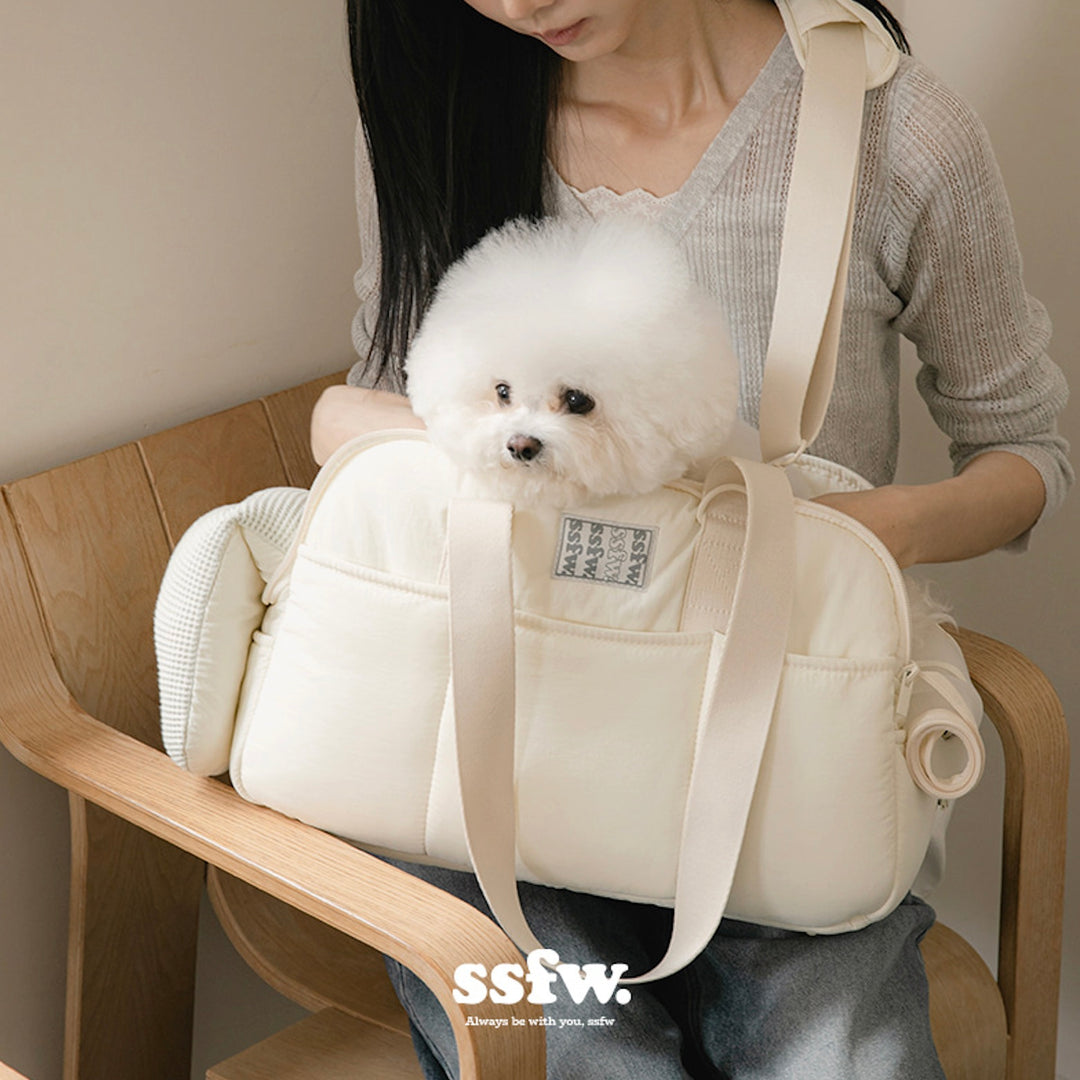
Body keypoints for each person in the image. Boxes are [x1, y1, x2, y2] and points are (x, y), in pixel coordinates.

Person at [311, 1, 1072, 1076]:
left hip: (784, 758)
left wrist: (869, 534)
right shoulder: (440, 108)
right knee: (585, 1057)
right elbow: (383, 408)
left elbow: (1026, 453)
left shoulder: (897, 133)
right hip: (499, 758)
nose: (516, 6)